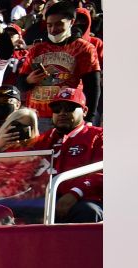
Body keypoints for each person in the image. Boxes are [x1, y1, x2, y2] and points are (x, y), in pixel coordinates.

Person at [17, 2, 101, 129]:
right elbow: (20, 84)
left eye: (59, 24)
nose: (53, 29)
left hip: (67, 116)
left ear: (71, 22)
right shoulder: (36, 49)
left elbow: (92, 87)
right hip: (37, 116)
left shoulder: (84, 48)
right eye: (49, 25)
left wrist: (89, 118)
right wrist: (29, 80)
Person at [28, 86, 102, 223]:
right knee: (9, 209)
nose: (62, 113)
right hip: (43, 200)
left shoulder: (98, 136)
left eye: (69, 108)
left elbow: (103, 171)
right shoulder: (42, 140)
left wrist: (75, 193)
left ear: (85, 111)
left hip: (83, 200)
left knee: (89, 211)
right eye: (57, 109)